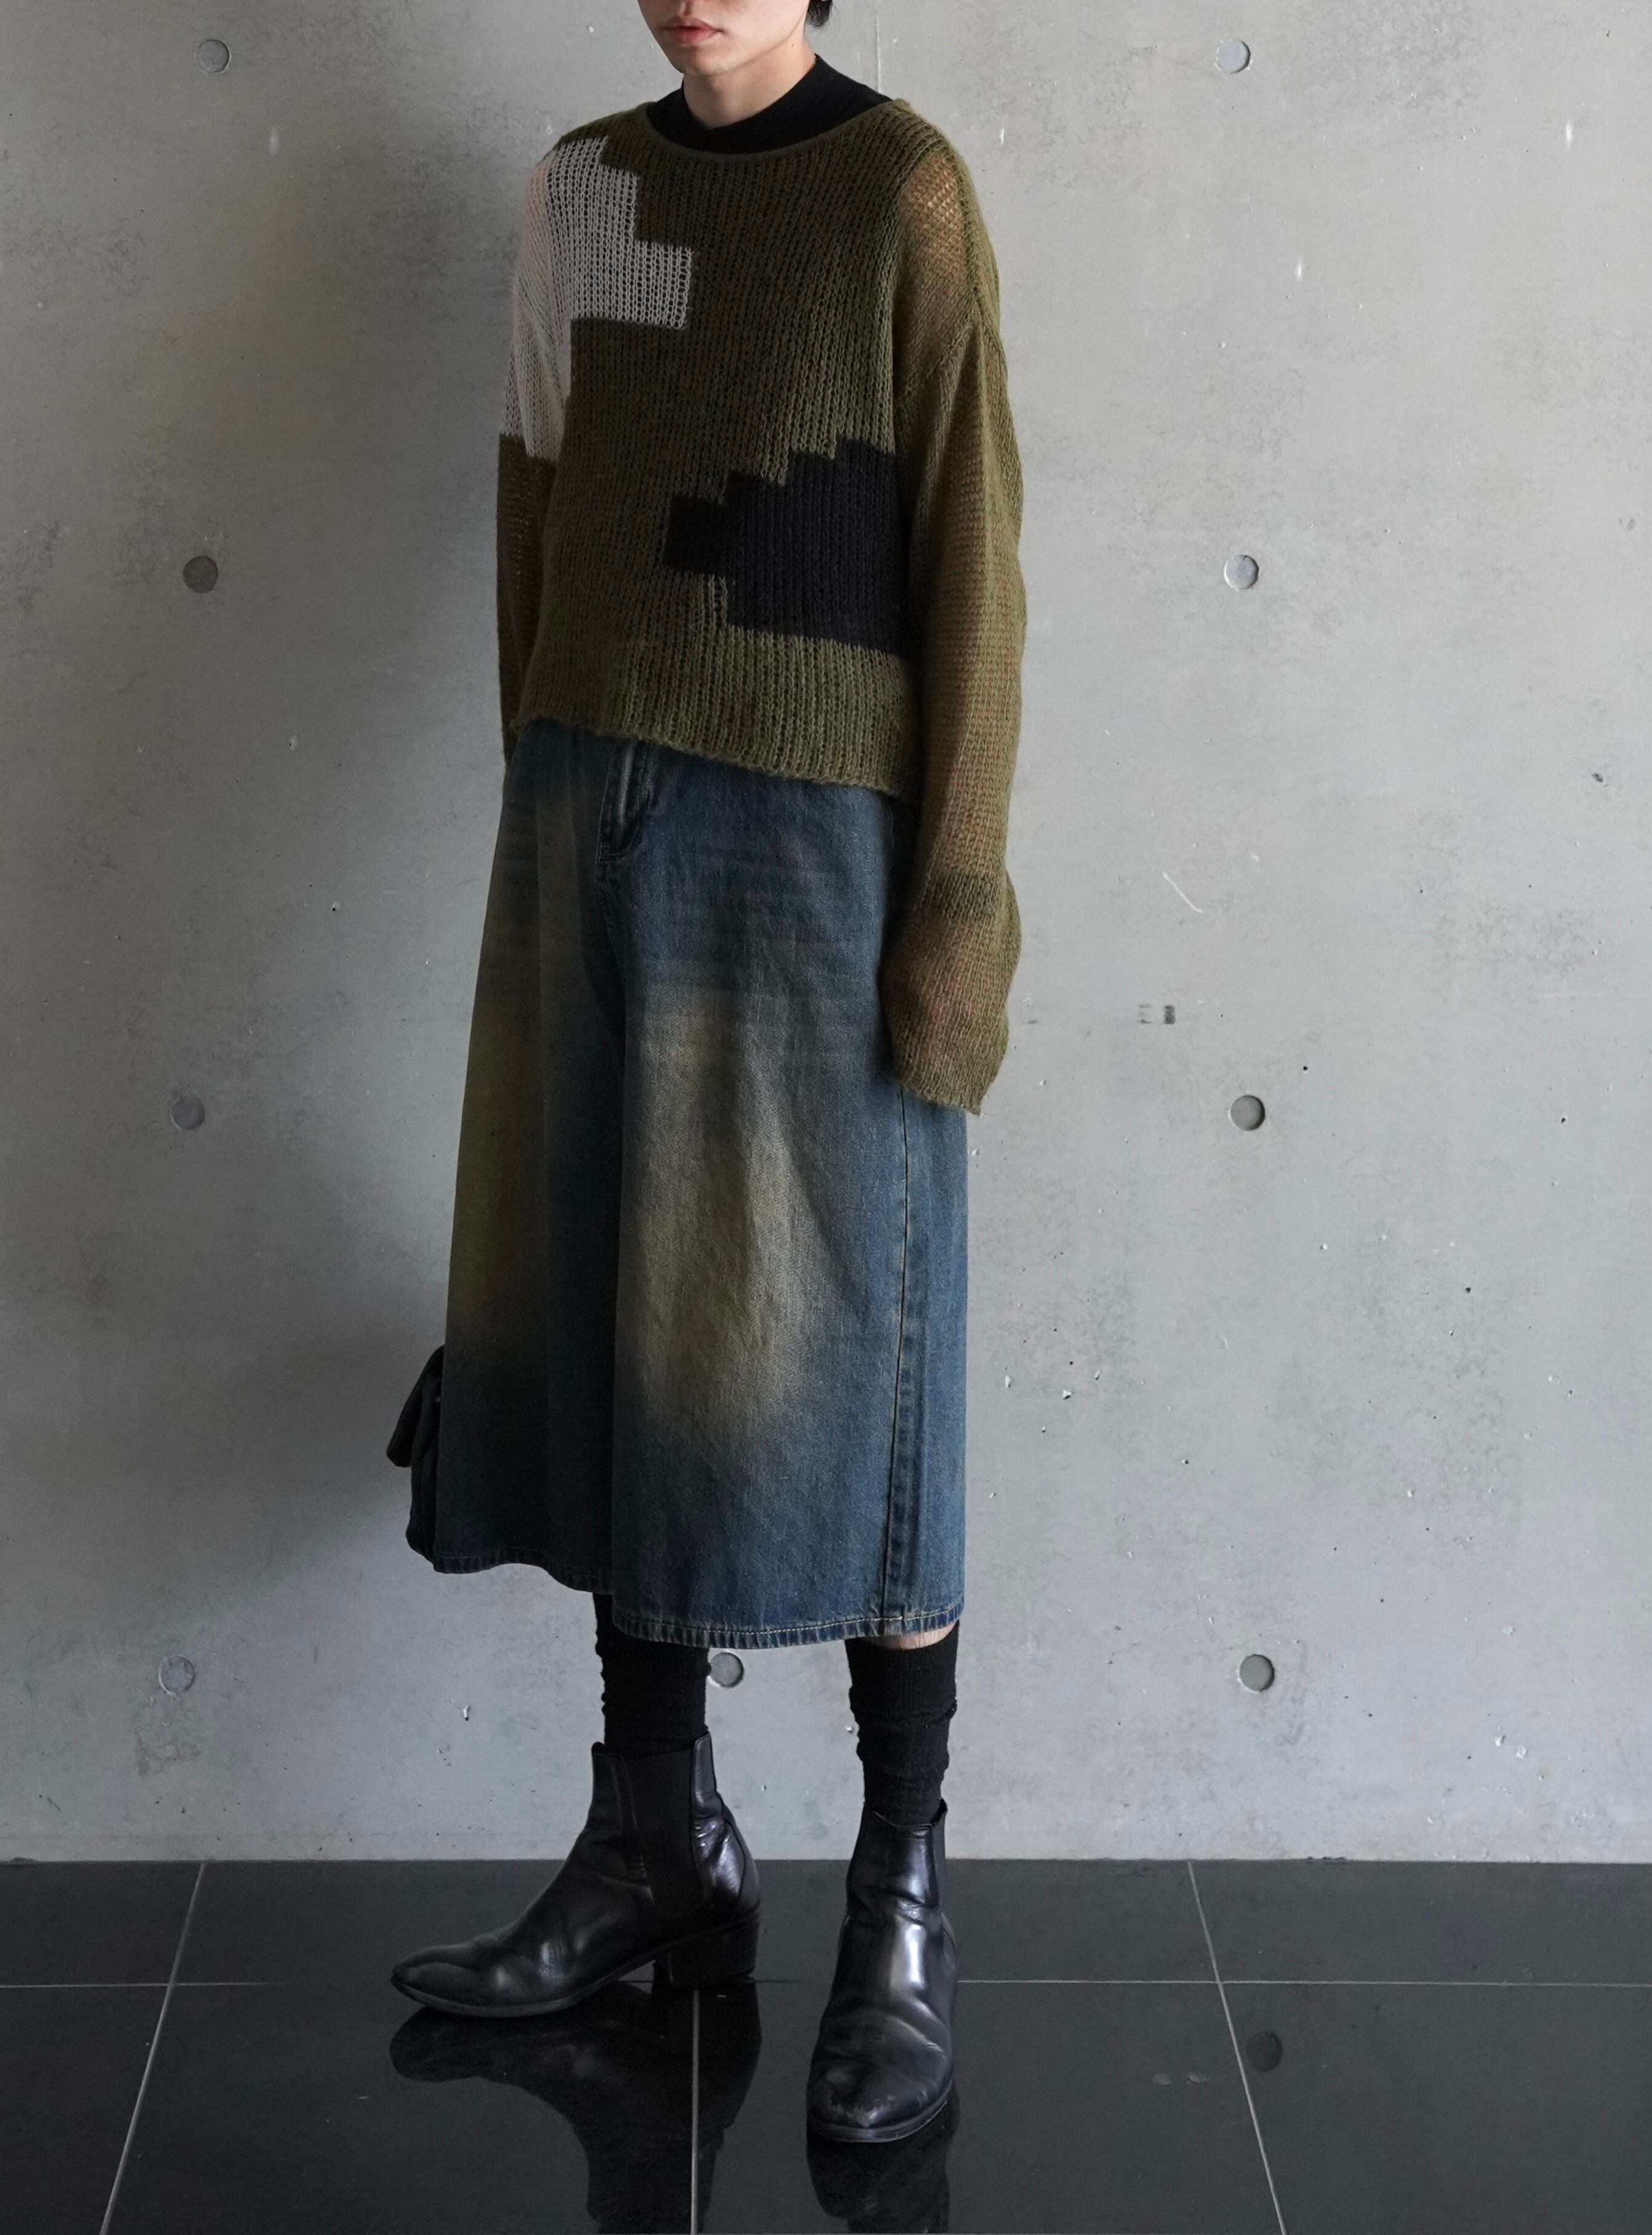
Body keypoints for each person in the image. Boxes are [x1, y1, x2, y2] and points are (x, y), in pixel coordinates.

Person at [387, 0, 1025, 2147]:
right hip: (594, 814)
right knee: (618, 1336)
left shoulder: (899, 194)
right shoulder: (586, 188)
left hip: (815, 845)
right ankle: (655, 1837)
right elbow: (536, 508)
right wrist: (547, 792)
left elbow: (973, 565)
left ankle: (902, 1899)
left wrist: (956, 911)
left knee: (852, 1358)